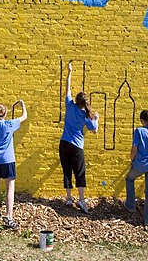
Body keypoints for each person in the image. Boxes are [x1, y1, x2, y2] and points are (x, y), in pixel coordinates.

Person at [59, 61, 99, 214]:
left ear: (76, 101)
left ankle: (69, 198)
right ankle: (81, 201)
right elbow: (94, 130)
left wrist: (69, 72)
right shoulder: (86, 116)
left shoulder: (69, 105)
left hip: (64, 143)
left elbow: (67, 89)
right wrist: (97, 118)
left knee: (67, 170)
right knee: (80, 173)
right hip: (76, 147)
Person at [0, 100, 27, 230]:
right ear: (5, 113)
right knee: (10, 188)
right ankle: (9, 217)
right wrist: (22, 105)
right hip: (8, 160)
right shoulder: (9, 124)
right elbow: (24, 116)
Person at [124, 110, 148, 228]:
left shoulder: (139, 131)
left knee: (129, 179)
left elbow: (134, 149)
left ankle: (130, 206)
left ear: (142, 120)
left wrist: (132, 161)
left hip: (140, 164)